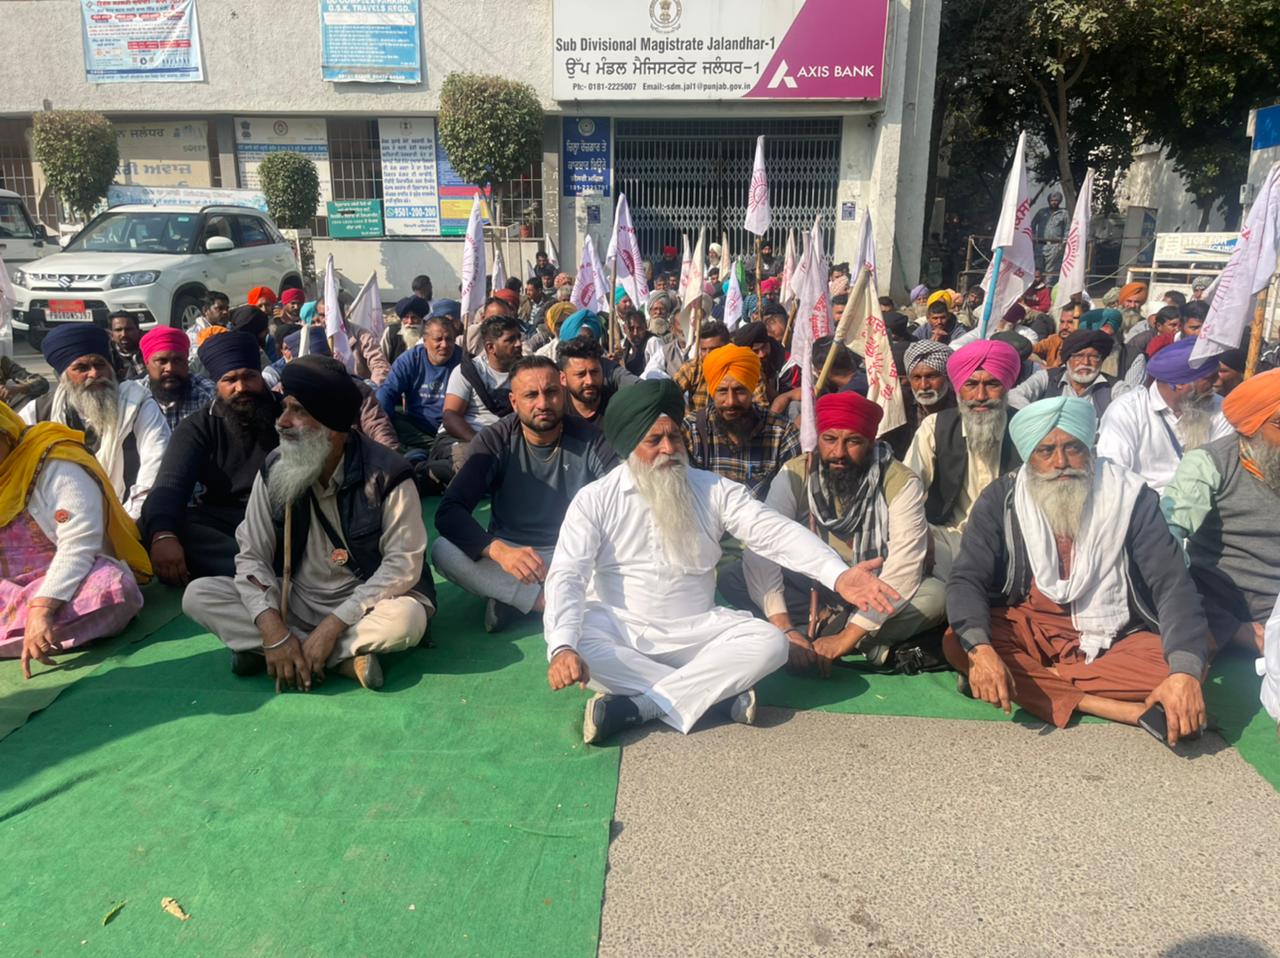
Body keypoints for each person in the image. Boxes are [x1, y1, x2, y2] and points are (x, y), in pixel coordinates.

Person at [543, 379, 906, 742]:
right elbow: (568, 575)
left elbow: (772, 531)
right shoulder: (595, 500)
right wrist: (562, 647)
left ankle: (642, 706)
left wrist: (837, 575)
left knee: (770, 643)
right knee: (580, 642)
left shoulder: (713, 489)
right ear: (629, 447)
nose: (669, 449)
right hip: (622, 632)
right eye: (654, 441)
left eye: (674, 437)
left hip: (699, 633)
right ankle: (717, 696)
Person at [944, 396, 1209, 738]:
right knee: (960, 641)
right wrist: (981, 651)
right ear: (1028, 456)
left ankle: (1042, 682)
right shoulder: (1001, 498)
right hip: (1032, 627)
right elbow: (967, 578)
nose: (1061, 462)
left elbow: (1171, 584)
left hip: (1115, 635)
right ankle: (1117, 708)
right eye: (1046, 451)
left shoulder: (1130, 496)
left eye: (1073, 448)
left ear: (1089, 448)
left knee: (1185, 662)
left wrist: (1184, 674)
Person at [182, 355, 434, 691]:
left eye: (298, 411)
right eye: (284, 408)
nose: (282, 422)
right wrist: (272, 628)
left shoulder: (388, 474)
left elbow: (401, 566)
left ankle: (275, 655)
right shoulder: (275, 467)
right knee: (199, 595)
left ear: (333, 426)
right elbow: (252, 555)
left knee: (407, 620)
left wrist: (333, 625)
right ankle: (337, 660)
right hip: (295, 601)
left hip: (366, 605)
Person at [722, 391, 945, 670]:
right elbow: (764, 544)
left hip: (875, 586)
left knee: (937, 598)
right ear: (818, 439)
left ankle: (837, 633)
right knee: (733, 577)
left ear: (871, 442)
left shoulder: (900, 481)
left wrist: (845, 638)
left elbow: (905, 566)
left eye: (853, 441)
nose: (838, 453)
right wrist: (784, 628)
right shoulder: (797, 473)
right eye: (829, 439)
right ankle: (857, 637)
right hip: (817, 586)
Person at [433, 356, 618, 632]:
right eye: (531, 395)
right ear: (514, 401)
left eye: (551, 392)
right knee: (443, 550)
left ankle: (513, 601)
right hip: (512, 556)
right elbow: (449, 512)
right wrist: (500, 551)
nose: (543, 403)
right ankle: (544, 603)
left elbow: (621, 498)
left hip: (575, 552)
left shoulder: (592, 438)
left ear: (563, 393)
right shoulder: (494, 440)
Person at [0, 401, 151, 677]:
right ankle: (34, 637)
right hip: (7, 593)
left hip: (69, 582)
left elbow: (79, 542)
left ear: (6, 434)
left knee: (117, 590)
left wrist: (43, 607)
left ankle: (31, 634)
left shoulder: (55, 461)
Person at [142, 332, 280, 583]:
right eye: (230, 380)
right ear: (217, 384)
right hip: (227, 523)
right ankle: (261, 571)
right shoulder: (198, 426)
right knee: (165, 527)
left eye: (250, 376)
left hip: (284, 515)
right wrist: (164, 535)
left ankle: (254, 571)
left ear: (261, 377)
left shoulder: (288, 413)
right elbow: (170, 485)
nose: (241, 388)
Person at [1162, 369, 1280, 655]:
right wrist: (1231, 628)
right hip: (1228, 606)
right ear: (1251, 427)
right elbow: (1165, 542)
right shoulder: (1208, 463)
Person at [23, 324, 170, 521]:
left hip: (132, 516)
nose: (94, 374)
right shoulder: (38, 412)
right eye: (81, 368)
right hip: (57, 521)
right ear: (63, 376)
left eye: (100, 365)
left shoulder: (137, 403)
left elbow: (156, 463)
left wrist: (127, 522)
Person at [906, 339, 1022, 574]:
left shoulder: (1025, 428)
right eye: (971, 384)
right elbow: (907, 490)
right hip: (950, 537)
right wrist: (920, 533)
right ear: (959, 388)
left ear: (1007, 386)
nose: (980, 395)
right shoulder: (935, 426)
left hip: (1013, 540)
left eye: (992, 384)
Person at [1097, 337, 1233, 492]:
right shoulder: (1126, 411)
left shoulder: (1220, 408)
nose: (1218, 382)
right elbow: (1114, 475)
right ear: (1180, 383)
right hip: (1144, 502)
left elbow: (1222, 467)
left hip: (1204, 499)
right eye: (1209, 378)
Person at [684, 344, 799, 498]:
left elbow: (792, 498)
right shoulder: (692, 431)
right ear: (712, 393)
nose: (731, 401)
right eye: (722, 391)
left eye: (739, 391)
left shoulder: (782, 434)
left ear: (752, 390)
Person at [280, 327, 398, 450]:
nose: (282, 421)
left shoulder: (356, 389)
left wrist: (389, 455)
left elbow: (377, 426)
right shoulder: (283, 392)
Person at [436, 313, 523, 478]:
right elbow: (450, 416)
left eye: (519, 337)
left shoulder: (526, 372)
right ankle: (429, 471)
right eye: (510, 340)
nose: (519, 344)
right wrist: (482, 442)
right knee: (474, 467)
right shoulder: (468, 372)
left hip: (506, 441)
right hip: (464, 438)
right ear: (490, 348)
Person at [376, 311, 460, 468]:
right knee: (385, 418)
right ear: (425, 341)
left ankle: (426, 456)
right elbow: (387, 393)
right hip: (415, 428)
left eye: (449, 339)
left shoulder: (464, 362)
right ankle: (432, 454)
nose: (444, 345)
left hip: (451, 430)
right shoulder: (410, 360)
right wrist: (382, 422)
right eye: (438, 339)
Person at [1009, 329, 1127, 417]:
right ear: (1067, 359)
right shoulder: (1047, 377)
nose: (1085, 362)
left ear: (1101, 360)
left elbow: (1129, 413)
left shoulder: (1115, 388)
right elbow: (1014, 396)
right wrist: (1041, 420)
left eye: (1093, 357)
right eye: (1078, 356)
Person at [139, 326, 216, 430]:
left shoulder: (207, 394)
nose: (170, 368)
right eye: (162, 361)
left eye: (177, 361)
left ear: (187, 363)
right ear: (147, 364)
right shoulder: (133, 397)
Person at [559, 337, 620, 426]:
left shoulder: (618, 408)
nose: (590, 381)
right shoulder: (557, 412)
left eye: (594, 372)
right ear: (563, 378)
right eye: (581, 374)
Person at [381, 296, 432, 366]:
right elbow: (381, 359)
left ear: (421, 318)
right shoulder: (391, 332)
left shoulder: (431, 331)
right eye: (406, 317)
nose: (410, 322)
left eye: (414, 317)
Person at [1032, 191, 1071, 280]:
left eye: (1056, 200)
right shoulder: (1041, 212)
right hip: (1040, 245)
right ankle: (1037, 287)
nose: (1053, 202)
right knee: (1037, 269)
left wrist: (1063, 244)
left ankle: (1048, 287)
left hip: (1055, 246)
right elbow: (1032, 224)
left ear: (1059, 201)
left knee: (1050, 271)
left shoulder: (1064, 213)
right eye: (1051, 200)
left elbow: (1067, 229)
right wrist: (1033, 237)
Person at [108, 311, 146, 381]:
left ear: (139, 332)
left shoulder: (150, 351)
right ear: (111, 335)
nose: (124, 334)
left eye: (129, 330)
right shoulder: (108, 357)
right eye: (118, 330)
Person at [621, 308, 652, 378]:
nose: (635, 333)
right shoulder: (622, 345)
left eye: (639, 328)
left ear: (645, 326)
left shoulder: (653, 342)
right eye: (631, 329)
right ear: (625, 329)